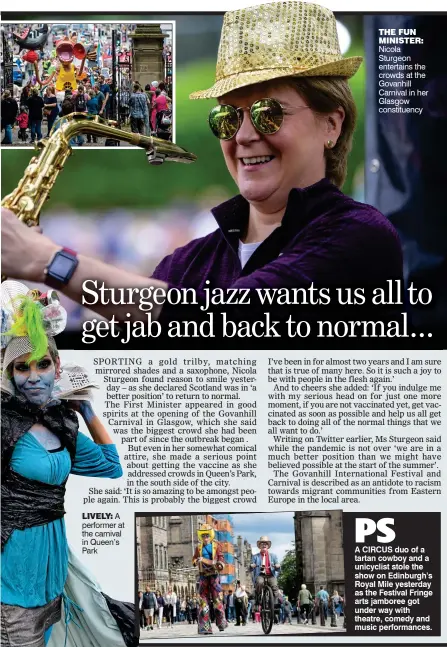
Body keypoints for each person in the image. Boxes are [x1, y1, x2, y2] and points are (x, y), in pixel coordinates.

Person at [1, 0, 404, 339]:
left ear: (331, 125)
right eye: (227, 117)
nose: (243, 136)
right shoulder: (183, 263)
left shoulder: (361, 236)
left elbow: (223, 321)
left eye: (269, 113)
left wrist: (47, 260)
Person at [0, 281, 125, 647]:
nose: (34, 376)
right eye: (22, 368)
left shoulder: (61, 424)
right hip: (12, 573)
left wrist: (87, 411)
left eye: (43, 364)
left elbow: (110, 466)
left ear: (58, 367)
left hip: (51, 573)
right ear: (9, 374)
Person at [192, 523, 227, 635]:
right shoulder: (198, 548)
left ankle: (221, 622)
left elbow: (221, 558)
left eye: (207, 535)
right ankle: (205, 627)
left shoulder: (216, 546)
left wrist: (220, 564)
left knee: (217, 600)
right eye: (203, 536)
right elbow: (194, 559)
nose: (205, 538)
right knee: (203, 602)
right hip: (203, 576)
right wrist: (196, 561)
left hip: (214, 575)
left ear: (210, 536)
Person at [250, 536, 281, 606]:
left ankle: (275, 603)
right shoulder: (255, 557)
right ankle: (258, 596)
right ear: (260, 546)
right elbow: (250, 568)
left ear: (268, 546)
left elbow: (277, 565)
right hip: (260, 574)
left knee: (274, 586)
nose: (264, 545)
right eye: (262, 543)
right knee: (259, 582)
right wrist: (252, 565)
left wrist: (277, 565)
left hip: (270, 574)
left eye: (266, 544)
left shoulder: (273, 556)